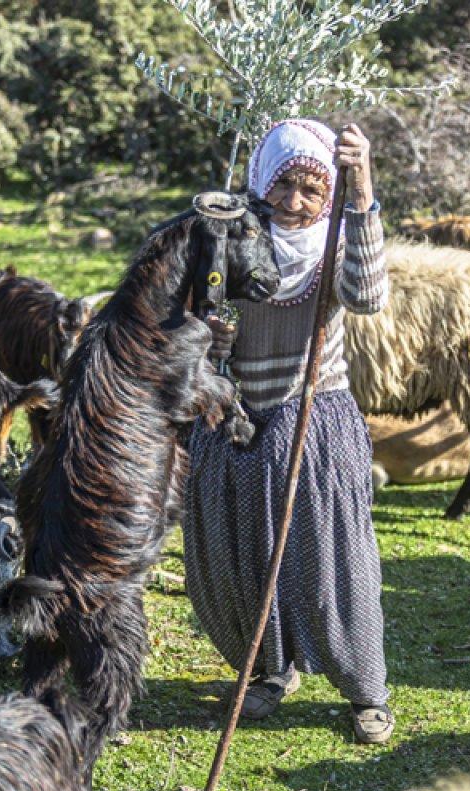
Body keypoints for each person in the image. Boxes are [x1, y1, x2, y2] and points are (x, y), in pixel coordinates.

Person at [181, 119, 393, 744]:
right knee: (237, 559)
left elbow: (368, 296)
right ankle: (271, 670)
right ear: (260, 183)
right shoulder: (228, 239)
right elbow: (194, 315)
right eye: (284, 187)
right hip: (236, 420)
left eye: (311, 189)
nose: (296, 204)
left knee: (333, 564)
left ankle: (366, 689)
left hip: (312, 418)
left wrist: (360, 192)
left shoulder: (336, 238)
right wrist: (210, 338)